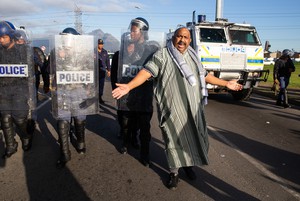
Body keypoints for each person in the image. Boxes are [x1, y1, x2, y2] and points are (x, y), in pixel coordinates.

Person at [112, 27, 243, 189]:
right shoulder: (163, 55)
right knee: (172, 140)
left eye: (186, 37)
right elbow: (147, 72)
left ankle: (188, 166)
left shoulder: (193, 56)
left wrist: (226, 83)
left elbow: (205, 75)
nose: (182, 40)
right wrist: (129, 86)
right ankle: (174, 173)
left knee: (192, 138)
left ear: (189, 40)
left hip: (193, 109)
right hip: (172, 109)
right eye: (179, 37)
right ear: (173, 38)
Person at [116, 17, 162, 167]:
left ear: (143, 32)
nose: (131, 33)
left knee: (144, 127)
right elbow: (120, 72)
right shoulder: (124, 49)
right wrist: (127, 54)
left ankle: (145, 154)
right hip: (128, 94)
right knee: (126, 122)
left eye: (134, 30)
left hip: (144, 95)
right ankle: (126, 141)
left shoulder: (152, 48)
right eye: (130, 30)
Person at [51, 27, 98, 168]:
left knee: (79, 119)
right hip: (62, 92)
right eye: (63, 39)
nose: (66, 43)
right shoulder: (56, 52)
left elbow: (91, 73)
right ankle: (64, 153)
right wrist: (58, 58)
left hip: (80, 91)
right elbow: (49, 71)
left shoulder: (84, 54)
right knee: (63, 122)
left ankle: (81, 142)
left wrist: (91, 93)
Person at [0, 21, 36, 158]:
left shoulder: (23, 50)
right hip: (3, 89)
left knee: (19, 118)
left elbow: (30, 72)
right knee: (5, 118)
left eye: (3, 37)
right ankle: (10, 145)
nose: (1, 40)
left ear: (10, 36)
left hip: (19, 89)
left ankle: (26, 136)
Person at [97, 38, 111, 104]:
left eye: (102, 44)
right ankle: (94, 98)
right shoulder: (94, 51)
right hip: (95, 71)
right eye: (99, 44)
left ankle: (100, 97)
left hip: (102, 71)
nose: (101, 45)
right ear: (97, 44)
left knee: (101, 85)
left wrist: (109, 70)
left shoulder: (105, 52)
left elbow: (108, 61)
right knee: (95, 85)